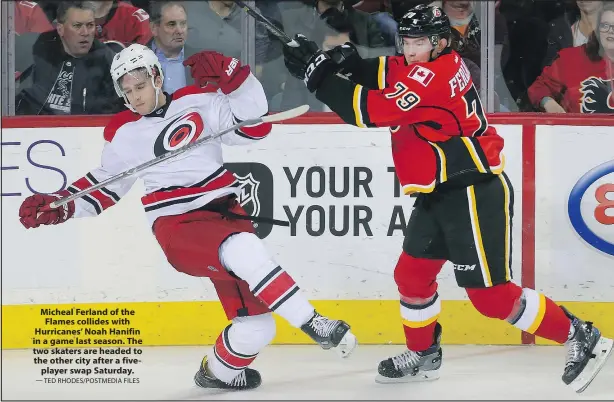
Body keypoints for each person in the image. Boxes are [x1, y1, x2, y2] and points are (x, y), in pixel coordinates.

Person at [282, 3, 612, 392]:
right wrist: (345, 64)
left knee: (491, 298)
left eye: (417, 41)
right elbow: (389, 71)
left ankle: (579, 335)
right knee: (412, 274)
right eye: (405, 40)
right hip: (441, 190)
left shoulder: (432, 78)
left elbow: (369, 111)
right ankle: (423, 354)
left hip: (472, 191)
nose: (408, 49)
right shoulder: (431, 61)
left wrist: (318, 77)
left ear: (439, 42)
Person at [17, 43, 357, 390]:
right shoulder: (125, 134)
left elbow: (255, 127)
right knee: (244, 248)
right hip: (177, 226)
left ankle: (218, 374)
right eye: (127, 91)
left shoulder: (200, 102)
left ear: (157, 77)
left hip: (226, 215)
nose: (135, 97)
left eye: (140, 86)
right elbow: (105, 187)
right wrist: (60, 206)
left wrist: (235, 79)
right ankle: (315, 322)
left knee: (257, 327)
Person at [15, 1, 123, 115]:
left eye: (90, 25)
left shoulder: (107, 62)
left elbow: (109, 114)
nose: (85, 32)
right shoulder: (39, 48)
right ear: (60, 29)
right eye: (77, 26)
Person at [529, 2, 614, 113]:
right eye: (605, 25)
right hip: (576, 129)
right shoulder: (573, 58)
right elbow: (538, 87)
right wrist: (549, 103)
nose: (610, 31)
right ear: (598, 29)